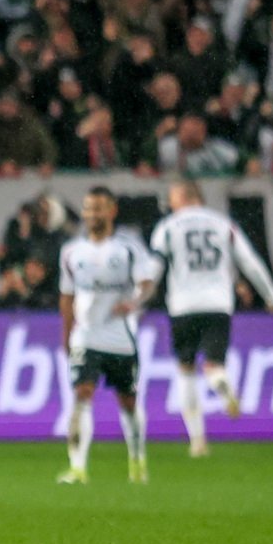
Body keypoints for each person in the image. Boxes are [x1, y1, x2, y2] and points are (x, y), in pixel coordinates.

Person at [148, 179, 273, 457]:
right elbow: (249, 261)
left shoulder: (168, 227)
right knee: (213, 362)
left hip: (183, 306)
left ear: (185, 195)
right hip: (218, 304)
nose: (170, 203)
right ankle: (219, 377)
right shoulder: (223, 224)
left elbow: (154, 268)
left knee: (186, 370)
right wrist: (270, 295)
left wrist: (138, 299)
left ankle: (198, 441)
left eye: (172, 197)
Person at [57, 187, 159, 485]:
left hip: (120, 337)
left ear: (112, 211)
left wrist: (136, 302)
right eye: (88, 208)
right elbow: (66, 297)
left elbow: (147, 283)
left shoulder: (128, 248)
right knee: (81, 396)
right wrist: (66, 334)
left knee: (128, 402)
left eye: (98, 208)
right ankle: (77, 468)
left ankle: (137, 460)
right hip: (85, 336)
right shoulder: (71, 252)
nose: (92, 214)